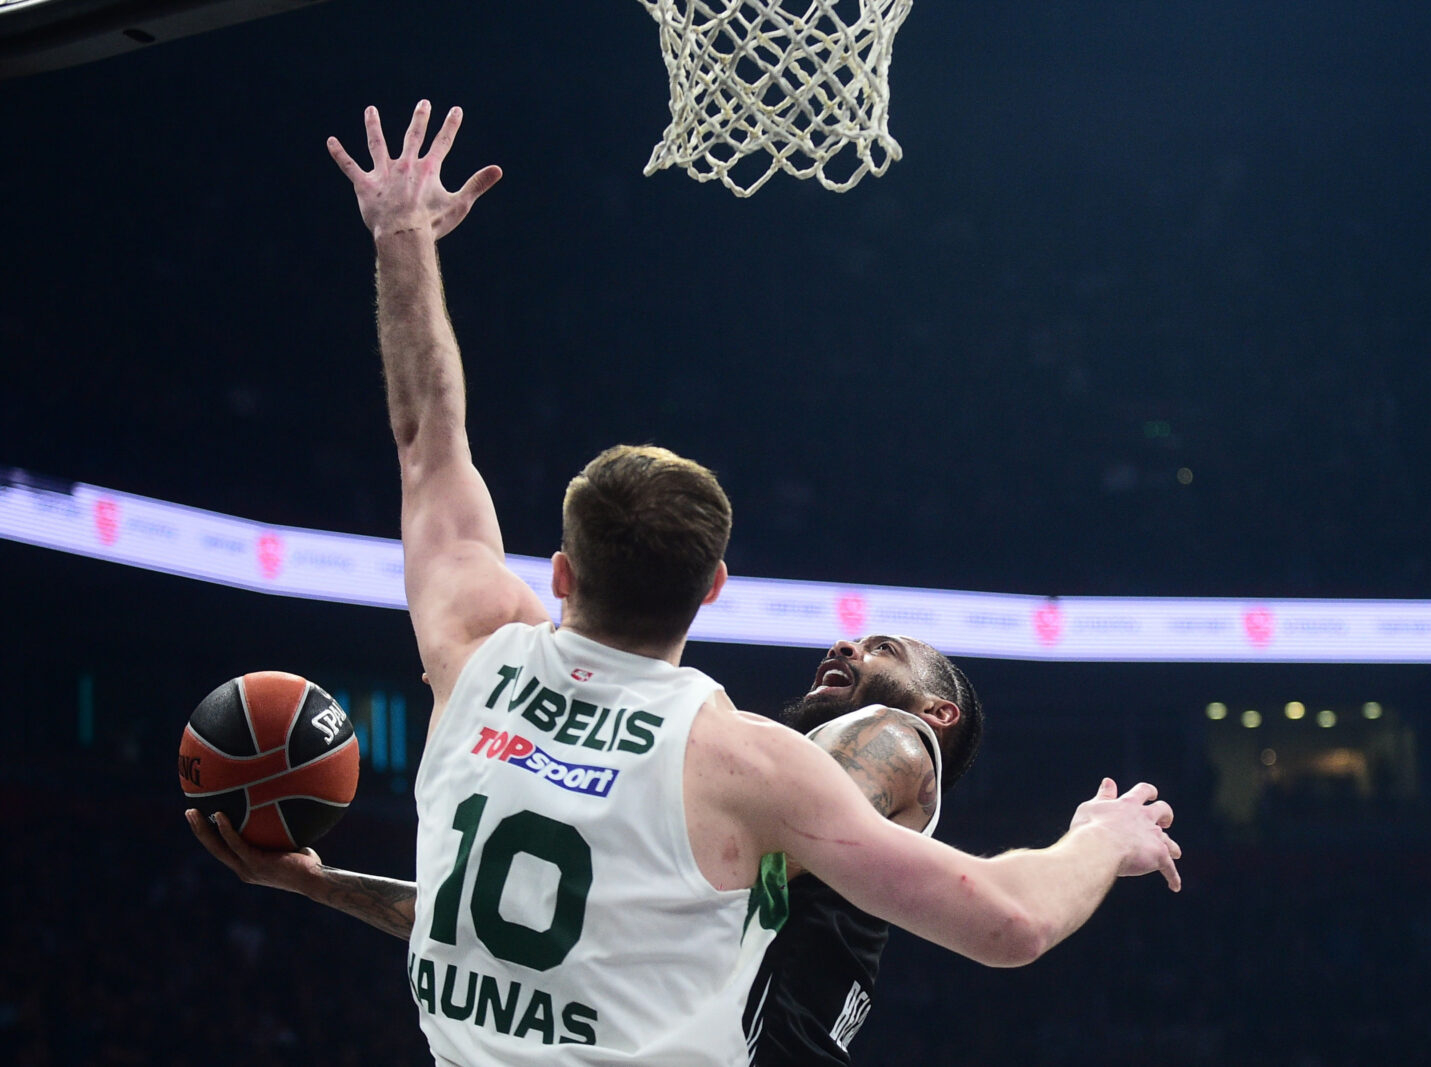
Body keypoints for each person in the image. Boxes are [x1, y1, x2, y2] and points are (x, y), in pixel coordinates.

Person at [211, 100, 1180, 1066]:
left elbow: (428, 440)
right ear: (713, 586)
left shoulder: (477, 651)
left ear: (558, 573)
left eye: (883, 645)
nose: (848, 643)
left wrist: (402, 239)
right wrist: (1102, 834)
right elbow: (1008, 921)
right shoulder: (741, 768)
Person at [190, 632, 986, 1065]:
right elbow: (505, 925)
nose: (847, 645)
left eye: (881, 649)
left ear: (938, 712)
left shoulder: (895, 741)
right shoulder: (776, 799)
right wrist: (319, 882)